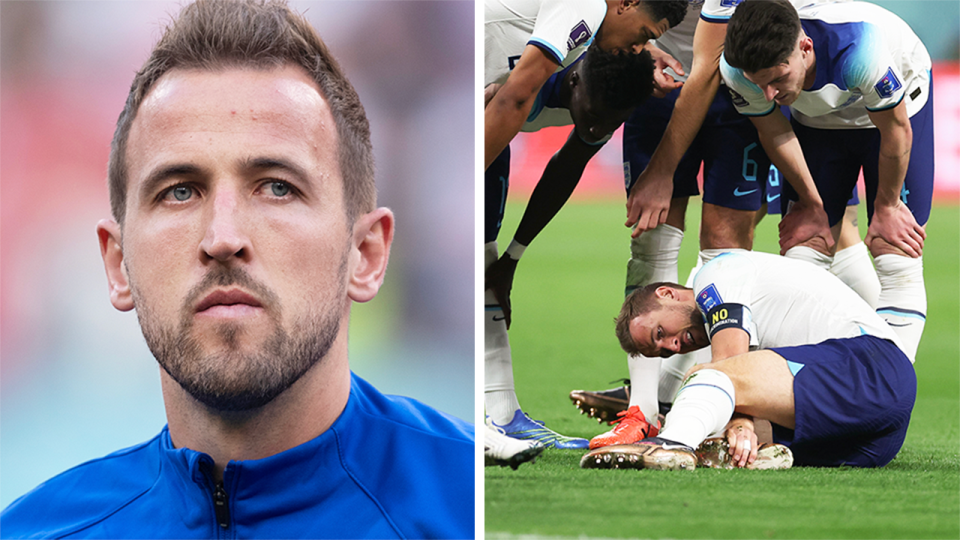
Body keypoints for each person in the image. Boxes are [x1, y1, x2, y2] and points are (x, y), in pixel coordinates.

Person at [0, 1, 473, 537]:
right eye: (180, 191)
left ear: (365, 254)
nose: (223, 238)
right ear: (118, 263)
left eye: (277, 187)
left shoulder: (467, 503)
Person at [720, 0, 932, 363]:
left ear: (805, 48)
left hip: (898, 112)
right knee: (804, 247)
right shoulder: (738, 69)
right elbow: (775, 131)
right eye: (761, 84)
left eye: (777, 79)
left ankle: (886, 391)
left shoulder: (861, 49)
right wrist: (811, 203)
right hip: (819, 123)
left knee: (895, 248)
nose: (769, 94)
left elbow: (894, 130)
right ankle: (795, 387)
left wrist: (887, 205)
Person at [582, 250, 916, 470]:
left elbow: (730, 363)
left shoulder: (715, 275)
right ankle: (733, 451)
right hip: (869, 438)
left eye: (659, 332)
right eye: (665, 351)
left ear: (666, 294)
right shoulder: (739, 320)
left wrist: (738, 421)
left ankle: (671, 445)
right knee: (717, 427)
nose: (673, 345)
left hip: (870, 365)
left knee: (706, 376)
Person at [485, 44, 656, 449]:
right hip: (469, 118)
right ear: (573, 79)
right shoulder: (515, 78)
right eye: (594, 117)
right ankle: (490, 416)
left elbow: (565, 166)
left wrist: (513, 257)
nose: (598, 129)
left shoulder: (606, 94)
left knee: (488, 260)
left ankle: (501, 414)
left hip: (495, 126)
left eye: (610, 125)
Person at [484, 0, 689, 171]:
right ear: (628, 3)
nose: (637, 49)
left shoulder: (583, 34)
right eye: (644, 34)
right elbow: (516, 97)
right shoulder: (587, 8)